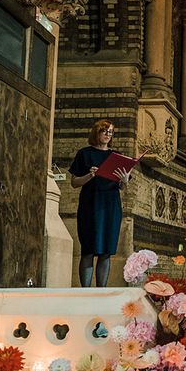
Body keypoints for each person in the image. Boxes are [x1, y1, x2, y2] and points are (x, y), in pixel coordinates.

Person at [69, 120, 131, 287]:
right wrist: (90, 175)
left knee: (106, 251)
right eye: (104, 131)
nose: (107, 135)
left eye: (110, 132)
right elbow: (74, 182)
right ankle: (85, 292)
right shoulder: (84, 154)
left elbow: (122, 187)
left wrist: (125, 180)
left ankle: (101, 291)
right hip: (90, 204)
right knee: (88, 249)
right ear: (96, 133)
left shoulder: (116, 157)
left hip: (111, 205)